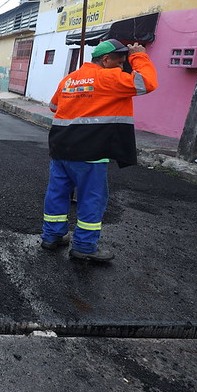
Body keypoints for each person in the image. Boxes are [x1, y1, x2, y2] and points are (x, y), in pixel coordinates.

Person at [40, 39, 158, 262]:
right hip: (90, 152)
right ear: (105, 60)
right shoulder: (109, 77)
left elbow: (54, 106)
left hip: (60, 148)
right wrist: (138, 56)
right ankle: (84, 247)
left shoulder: (69, 79)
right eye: (120, 62)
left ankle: (52, 237)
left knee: (57, 194)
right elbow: (147, 83)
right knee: (91, 199)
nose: (123, 68)